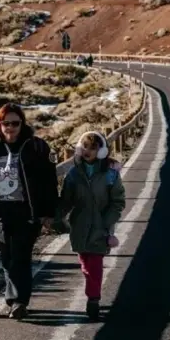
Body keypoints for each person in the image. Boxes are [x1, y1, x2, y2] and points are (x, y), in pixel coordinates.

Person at [0, 103, 58, 319]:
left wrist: (49, 212)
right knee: (7, 258)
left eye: (15, 123)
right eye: (6, 123)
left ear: (22, 124)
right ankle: (14, 300)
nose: (10, 127)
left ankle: (19, 301)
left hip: (27, 212)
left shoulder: (36, 147)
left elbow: (49, 182)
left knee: (20, 256)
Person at [55, 131, 125, 321]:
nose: (88, 151)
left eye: (93, 148)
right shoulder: (74, 173)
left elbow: (118, 201)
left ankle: (93, 300)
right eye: (85, 146)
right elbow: (66, 200)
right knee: (85, 264)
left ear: (101, 151)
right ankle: (92, 294)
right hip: (79, 225)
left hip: (101, 227)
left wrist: (106, 222)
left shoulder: (110, 174)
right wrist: (55, 218)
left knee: (95, 264)